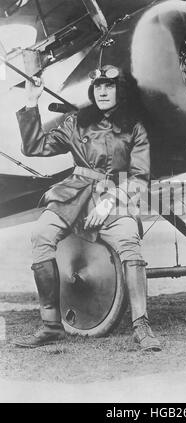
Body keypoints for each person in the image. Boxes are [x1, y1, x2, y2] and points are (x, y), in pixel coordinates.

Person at [13, 65, 161, 352]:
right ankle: (50, 325)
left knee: (130, 239)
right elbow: (35, 146)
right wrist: (32, 101)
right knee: (41, 234)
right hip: (74, 194)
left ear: (121, 89)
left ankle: (141, 325)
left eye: (109, 85)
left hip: (114, 198)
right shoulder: (75, 123)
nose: (103, 91)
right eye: (98, 87)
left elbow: (140, 179)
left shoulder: (135, 128)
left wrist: (109, 201)